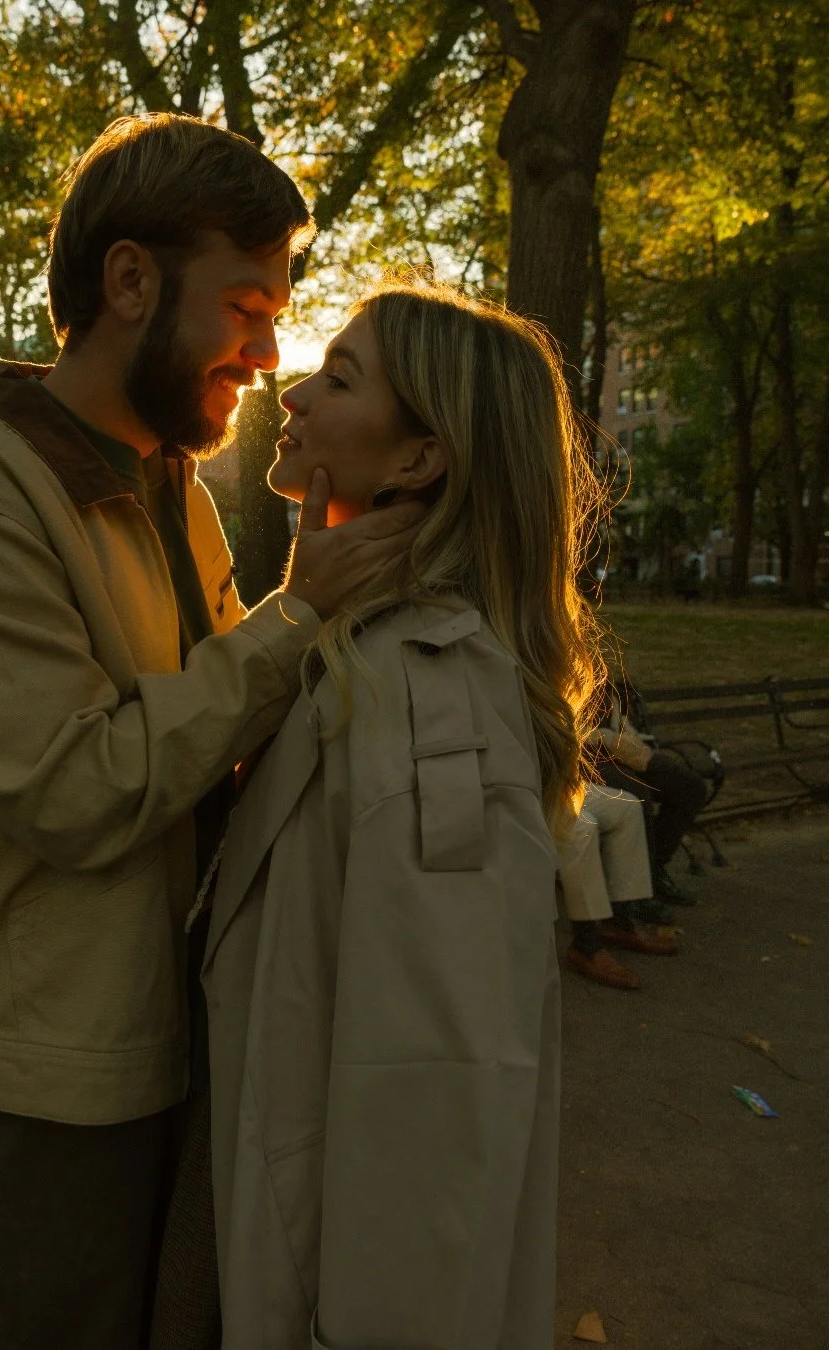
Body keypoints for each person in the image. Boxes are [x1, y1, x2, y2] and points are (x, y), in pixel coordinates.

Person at [0, 114, 424, 1350]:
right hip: (31, 1092)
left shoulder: (177, 494)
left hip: (163, 1048)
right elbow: (74, 788)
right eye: (248, 305)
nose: (270, 353)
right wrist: (300, 613)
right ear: (128, 281)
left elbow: (212, 739)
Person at [201, 279, 602, 1349]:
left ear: (421, 459)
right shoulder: (359, 657)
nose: (288, 393)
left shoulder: (426, 694)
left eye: (338, 377)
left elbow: (438, 1095)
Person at [590, 679, 709, 918]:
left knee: (689, 786)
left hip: (620, 748)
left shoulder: (593, 662)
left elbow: (616, 718)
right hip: (588, 757)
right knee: (635, 794)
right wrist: (605, 738)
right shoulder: (551, 661)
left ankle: (654, 868)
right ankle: (635, 892)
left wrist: (633, 742)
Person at [561, 783, 680, 992]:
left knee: (627, 807)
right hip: (519, 791)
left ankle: (618, 920)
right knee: (582, 827)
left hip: (556, 781)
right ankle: (585, 944)